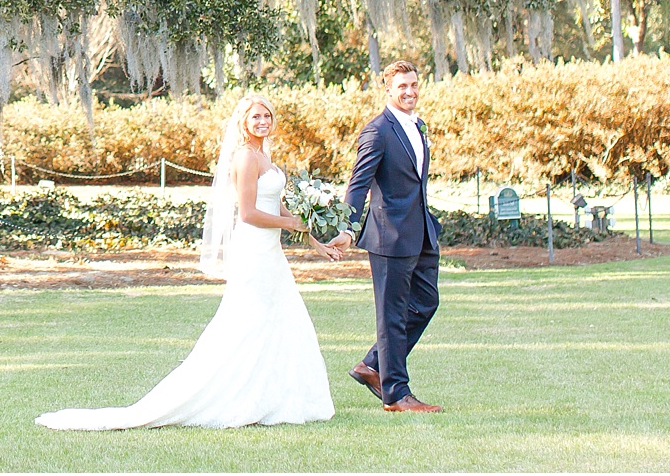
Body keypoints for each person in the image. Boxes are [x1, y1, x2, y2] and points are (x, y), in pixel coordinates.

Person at [36, 92, 339, 431]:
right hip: (253, 251)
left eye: (267, 116)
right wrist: (289, 224)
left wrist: (317, 241)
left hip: (272, 252)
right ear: (244, 121)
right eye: (256, 117)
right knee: (246, 324)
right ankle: (231, 399)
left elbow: (281, 210)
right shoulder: (245, 157)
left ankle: (274, 400)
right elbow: (251, 214)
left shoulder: (263, 155)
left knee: (281, 319)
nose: (263, 121)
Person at [326, 59, 444, 413]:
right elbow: (358, 183)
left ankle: (372, 364)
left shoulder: (417, 125)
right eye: (401, 87)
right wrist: (347, 227)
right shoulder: (377, 131)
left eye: (413, 85)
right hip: (388, 236)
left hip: (421, 232)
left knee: (426, 302)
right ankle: (396, 394)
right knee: (391, 315)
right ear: (387, 90)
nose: (409, 91)